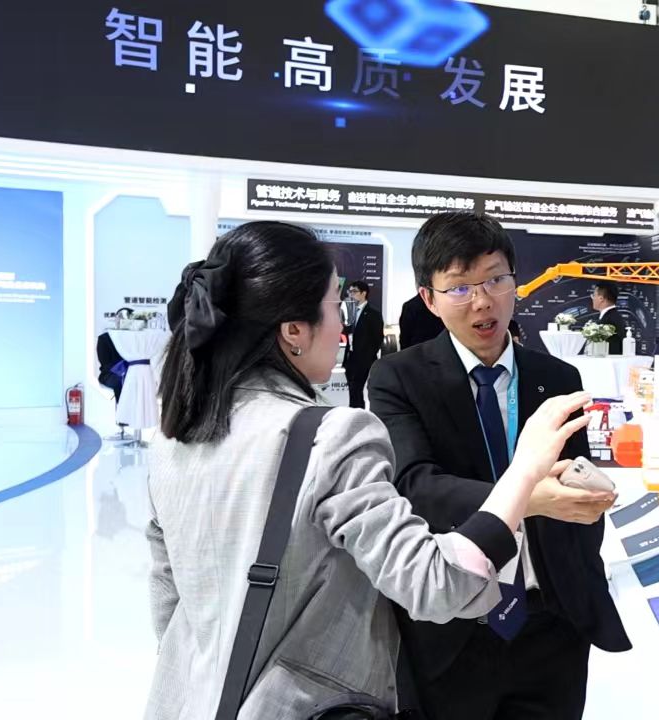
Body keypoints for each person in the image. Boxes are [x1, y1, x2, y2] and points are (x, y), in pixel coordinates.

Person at [144, 221, 591, 720]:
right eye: (335, 306)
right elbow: (433, 582)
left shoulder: (172, 439)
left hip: (192, 700)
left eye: (495, 280)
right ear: (294, 331)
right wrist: (524, 475)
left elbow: (168, 597)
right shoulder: (331, 434)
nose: (342, 325)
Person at [368, 212, 630, 720]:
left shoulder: (557, 376)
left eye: (495, 280)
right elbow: (415, 486)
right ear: (429, 299)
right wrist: (527, 497)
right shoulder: (397, 378)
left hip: (549, 625)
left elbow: (572, 478)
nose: (483, 301)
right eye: (460, 287)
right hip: (450, 629)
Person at [344, 280, 384, 409]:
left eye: (354, 291)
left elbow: (377, 338)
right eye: (349, 292)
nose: (351, 295)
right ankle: (355, 411)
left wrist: (367, 355)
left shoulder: (373, 313)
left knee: (357, 388)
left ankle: (358, 413)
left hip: (364, 359)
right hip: (350, 357)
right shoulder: (350, 312)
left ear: (363, 293)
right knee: (352, 390)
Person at [591, 280, 629, 355]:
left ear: (601, 298)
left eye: (594, 295)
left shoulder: (609, 321)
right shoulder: (614, 316)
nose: (592, 299)